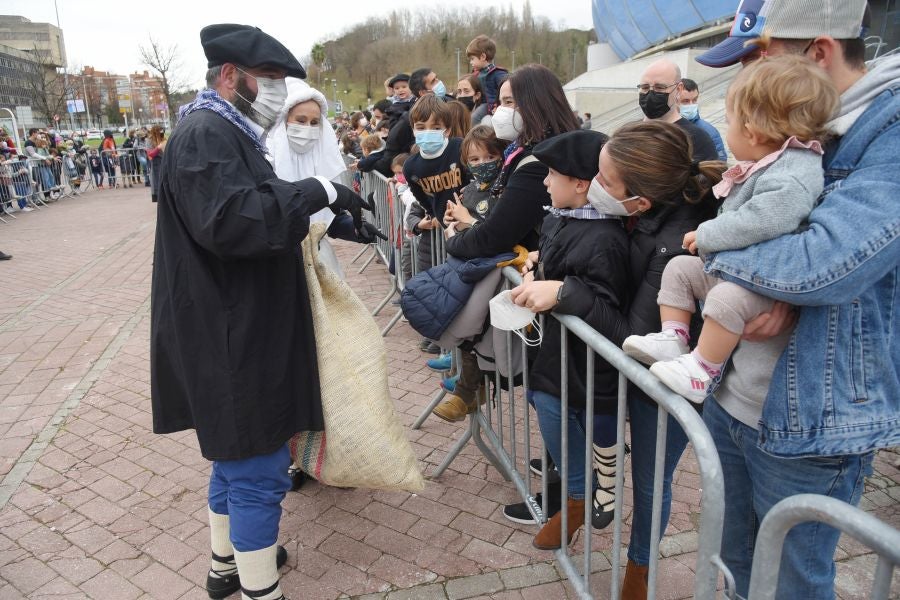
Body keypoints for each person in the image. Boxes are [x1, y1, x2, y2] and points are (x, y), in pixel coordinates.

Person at [151, 23, 368, 600]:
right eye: (269, 80)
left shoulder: (226, 130)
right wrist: (320, 189)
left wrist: (329, 211)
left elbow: (257, 207)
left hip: (233, 321)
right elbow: (235, 221)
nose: (277, 92)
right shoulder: (205, 132)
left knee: (234, 454)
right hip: (230, 332)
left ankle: (227, 565)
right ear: (230, 76)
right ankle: (258, 589)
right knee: (256, 467)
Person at [693, 0, 900, 597]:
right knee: (732, 564)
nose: (746, 78)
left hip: (808, 422)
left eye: (759, 56)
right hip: (734, 397)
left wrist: (712, 252)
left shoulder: (885, 132)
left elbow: (823, 266)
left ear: (818, 52)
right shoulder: (802, 135)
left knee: (791, 583)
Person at [623, 54, 838, 404]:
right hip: (737, 269)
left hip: (761, 284)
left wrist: (708, 234)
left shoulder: (794, 171)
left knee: (725, 299)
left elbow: (764, 218)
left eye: (730, 123)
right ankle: (673, 336)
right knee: (679, 268)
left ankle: (703, 368)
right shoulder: (766, 164)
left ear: (751, 131)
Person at [509, 129, 631, 550]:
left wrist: (559, 291)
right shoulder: (561, 217)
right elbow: (556, 263)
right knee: (546, 405)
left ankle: (582, 495)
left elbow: (608, 315)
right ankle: (580, 494)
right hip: (556, 356)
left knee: (567, 417)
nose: (544, 182)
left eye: (552, 174)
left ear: (580, 183)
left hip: (583, 367)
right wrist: (535, 274)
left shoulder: (605, 239)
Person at [438, 64, 580, 425]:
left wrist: (455, 239)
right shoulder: (529, 153)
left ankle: (568, 474)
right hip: (548, 278)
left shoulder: (538, 162)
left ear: (536, 103)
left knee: (552, 392)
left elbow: (495, 234)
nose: (500, 110)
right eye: (499, 101)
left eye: (510, 101)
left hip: (550, 283)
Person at [637, 59, 719, 162]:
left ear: (679, 89)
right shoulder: (628, 134)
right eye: (645, 87)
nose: (650, 94)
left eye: (660, 87)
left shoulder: (697, 139)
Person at [678, 79, 727, 161]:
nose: (691, 105)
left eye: (694, 100)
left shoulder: (709, 131)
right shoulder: (665, 126)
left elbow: (720, 163)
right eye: (685, 101)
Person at [466, 34, 508, 117]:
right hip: (478, 104)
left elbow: (508, 87)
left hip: (490, 107)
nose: (471, 62)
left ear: (482, 57)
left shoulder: (497, 73)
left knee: (474, 117)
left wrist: (499, 106)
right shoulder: (476, 74)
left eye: (472, 59)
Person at [146, 126, 165, 201]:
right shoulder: (149, 140)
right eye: (159, 132)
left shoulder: (163, 138)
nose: (161, 134)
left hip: (163, 162)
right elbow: (150, 153)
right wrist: (158, 148)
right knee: (157, 182)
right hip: (156, 164)